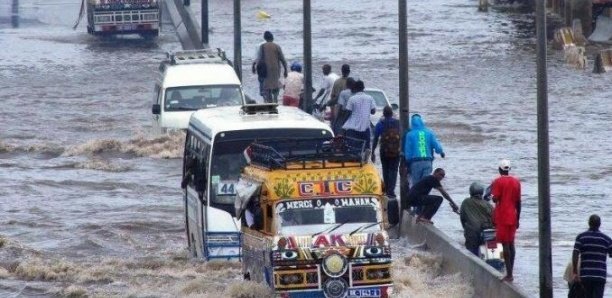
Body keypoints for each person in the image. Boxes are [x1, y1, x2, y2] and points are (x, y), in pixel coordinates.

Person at [490, 159, 521, 282]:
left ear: (499, 169)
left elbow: (495, 199)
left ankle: (509, 274)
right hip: (513, 215)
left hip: (502, 215)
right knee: (511, 243)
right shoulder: (516, 182)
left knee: (505, 244)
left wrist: (492, 196)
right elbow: (518, 202)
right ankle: (511, 272)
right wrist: (518, 218)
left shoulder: (497, 182)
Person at [572, 214, 612, 298]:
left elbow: (575, 254)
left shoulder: (581, 237)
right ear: (600, 224)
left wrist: (575, 271)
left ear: (589, 223)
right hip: (600, 275)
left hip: (585, 275)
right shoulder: (606, 239)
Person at [402, 114, 446, 188]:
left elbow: (408, 151)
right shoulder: (429, 132)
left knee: (416, 186)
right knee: (425, 185)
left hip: (415, 163)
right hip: (427, 162)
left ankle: (416, 199)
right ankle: (424, 198)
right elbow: (436, 145)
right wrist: (441, 152)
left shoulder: (410, 134)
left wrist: (407, 162)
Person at [371, 105, 401, 198]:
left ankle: (387, 190)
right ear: (392, 113)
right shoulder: (398, 123)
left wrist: (373, 151)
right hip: (396, 151)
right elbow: (403, 136)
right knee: (394, 170)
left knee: (386, 169)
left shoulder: (381, 124)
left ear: (383, 114)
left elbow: (375, 138)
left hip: (384, 150)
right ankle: (391, 191)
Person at [459, 182, 493, 256]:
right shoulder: (488, 204)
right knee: (490, 253)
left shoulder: (466, 202)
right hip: (488, 232)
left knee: (472, 253)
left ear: (471, 192)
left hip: (472, 232)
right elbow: (493, 218)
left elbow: (462, 218)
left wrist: (465, 228)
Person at [341, 80, 376, 151]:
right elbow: (373, 111)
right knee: (366, 151)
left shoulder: (352, 99)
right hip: (365, 129)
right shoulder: (370, 98)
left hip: (352, 130)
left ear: (355, 88)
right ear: (363, 88)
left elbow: (347, 113)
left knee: (353, 151)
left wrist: (342, 125)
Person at [253, 31, 288, 103]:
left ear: (265, 38)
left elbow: (259, 59)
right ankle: (275, 99)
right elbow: (283, 59)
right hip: (275, 70)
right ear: (272, 38)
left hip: (266, 70)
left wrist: (254, 66)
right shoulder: (277, 46)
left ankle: (269, 101)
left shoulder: (262, 47)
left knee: (267, 87)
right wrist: (285, 70)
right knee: (275, 85)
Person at [325, 64, 350, 133]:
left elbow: (333, 97)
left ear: (341, 71)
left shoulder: (337, 82)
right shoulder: (351, 82)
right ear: (349, 71)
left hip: (338, 109)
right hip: (349, 110)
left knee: (336, 129)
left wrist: (332, 110)